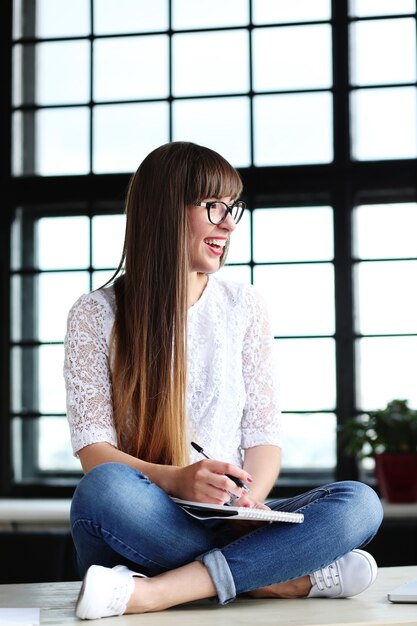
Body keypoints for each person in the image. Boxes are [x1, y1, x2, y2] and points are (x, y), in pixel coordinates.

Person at [64, 141, 383, 620]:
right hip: (150, 521)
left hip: (231, 520)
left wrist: (246, 503)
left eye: (233, 207)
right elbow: (94, 452)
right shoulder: (94, 314)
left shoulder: (243, 305)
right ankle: (275, 579)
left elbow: (263, 436)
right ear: (165, 210)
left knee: (360, 503)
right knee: (103, 489)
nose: (229, 224)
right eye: (214, 207)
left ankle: (156, 592)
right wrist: (180, 480)